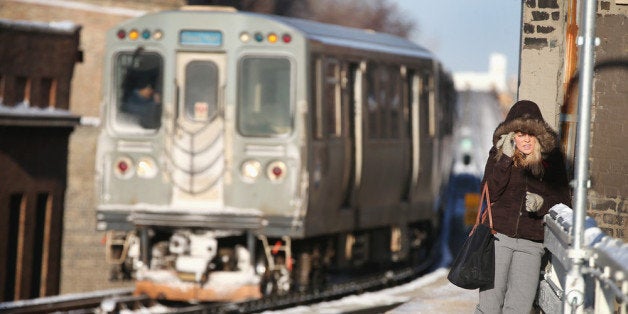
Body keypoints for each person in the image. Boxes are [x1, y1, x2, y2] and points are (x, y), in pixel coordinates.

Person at [475, 100, 571, 313]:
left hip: (531, 244)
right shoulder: (499, 155)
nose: (526, 139)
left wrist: (542, 204)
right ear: (511, 136)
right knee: (489, 307)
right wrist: (505, 160)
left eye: (530, 134)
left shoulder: (551, 161)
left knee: (519, 308)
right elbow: (489, 194)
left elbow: (563, 202)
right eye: (520, 134)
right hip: (497, 238)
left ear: (538, 135)